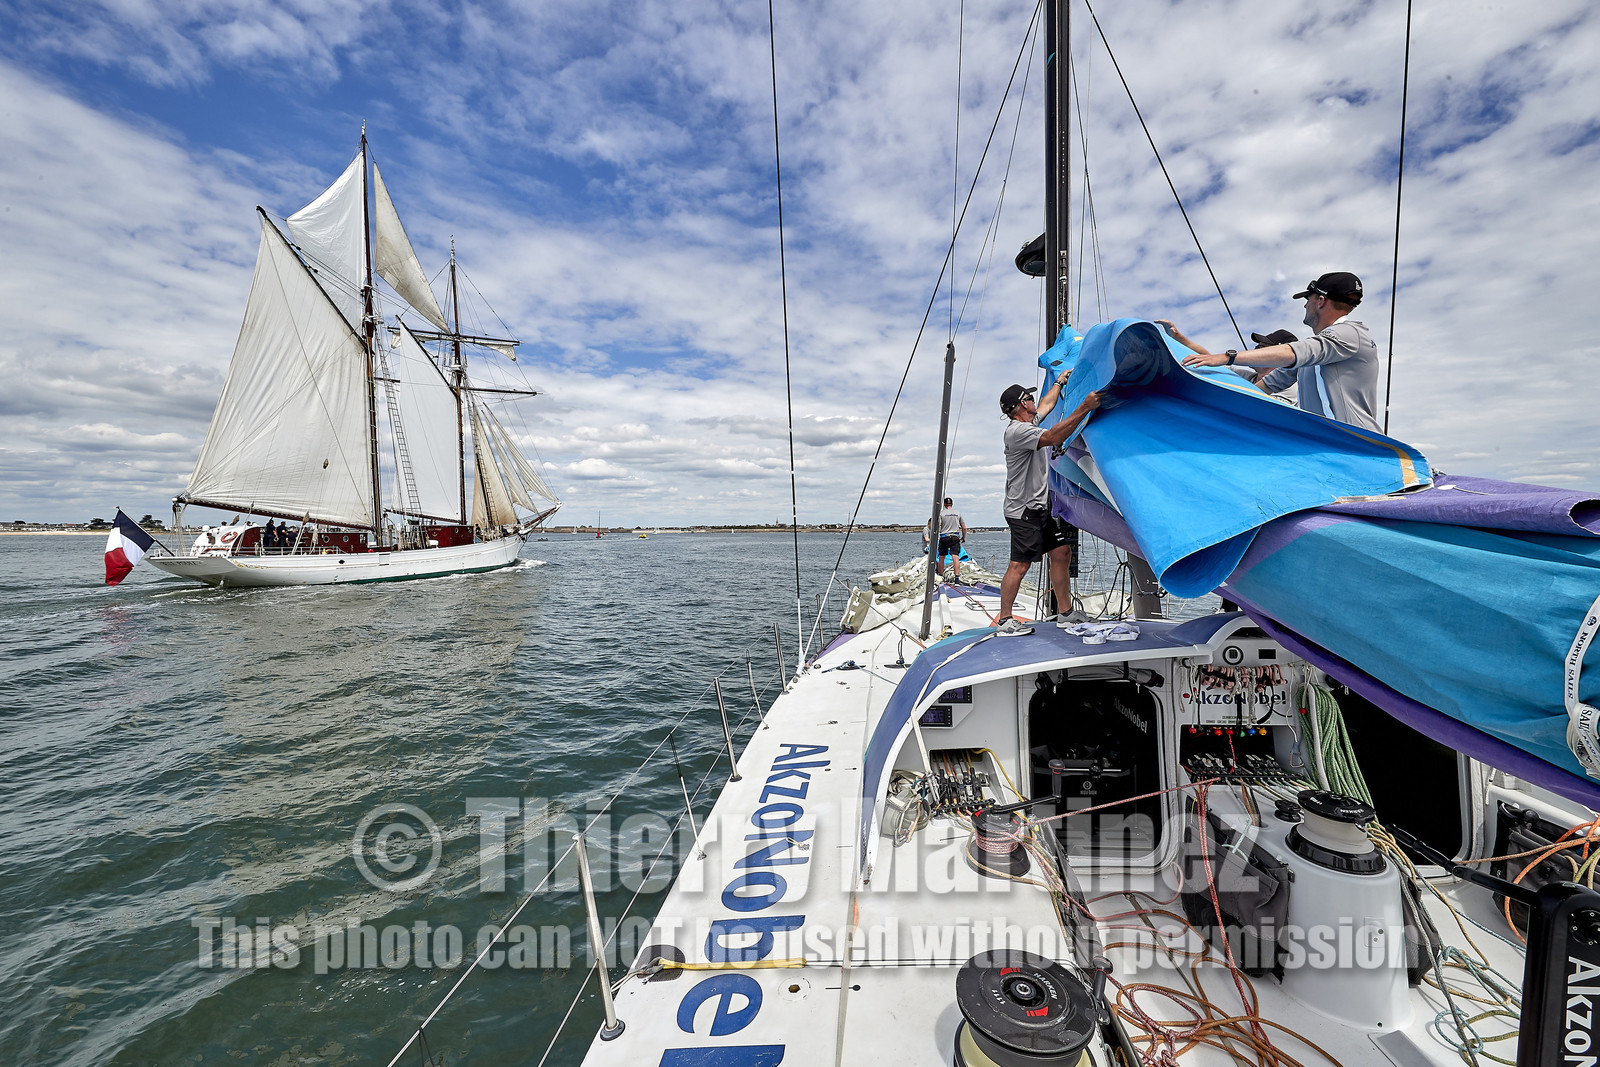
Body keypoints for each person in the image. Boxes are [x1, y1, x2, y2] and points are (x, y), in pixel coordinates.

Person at [1179, 272, 1380, 431]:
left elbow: (1300, 351)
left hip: (1358, 446)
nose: (1305, 304)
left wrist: (1228, 357)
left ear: (1320, 301)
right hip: (1325, 447)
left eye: (1307, 298)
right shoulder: (1318, 351)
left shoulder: (1351, 333)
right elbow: (1266, 386)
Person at [996, 377, 1104, 634]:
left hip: (1037, 508)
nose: (1035, 401)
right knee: (1019, 565)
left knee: (1061, 553)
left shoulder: (1028, 422)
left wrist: (1058, 382)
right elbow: (1055, 436)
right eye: (1029, 398)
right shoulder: (1017, 431)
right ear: (1021, 405)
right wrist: (1085, 407)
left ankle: (1065, 613)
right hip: (1023, 511)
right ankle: (1004, 621)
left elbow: (1046, 403)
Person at [938, 497, 967, 582]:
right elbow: (964, 527)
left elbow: (938, 526)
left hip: (944, 537)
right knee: (955, 557)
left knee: (941, 557)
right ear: (952, 504)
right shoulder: (958, 513)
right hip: (955, 536)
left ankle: (940, 576)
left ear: (944, 504)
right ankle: (957, 578)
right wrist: (964, 537)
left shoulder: (941, 514)